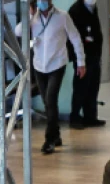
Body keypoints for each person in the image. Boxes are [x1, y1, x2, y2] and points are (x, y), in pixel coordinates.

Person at [17, 0, 86, 155]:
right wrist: (29, 15)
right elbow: (18, 31)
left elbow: (75, 39)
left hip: (57, 64)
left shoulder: (63, 16)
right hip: (39, 65)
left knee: (50, 99)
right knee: (47, 102)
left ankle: (49, 140)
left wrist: (81, 62)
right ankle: (56, 135)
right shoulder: (33, 18)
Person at [67, 0, 105, 129]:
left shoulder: (93, 8)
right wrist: (78, 60)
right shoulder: (75, 11)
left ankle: (90, 117)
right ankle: (75, 117)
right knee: (80, 88)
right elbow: (72, 38)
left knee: (93, 88)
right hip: (82, 58)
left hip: (94, 55)